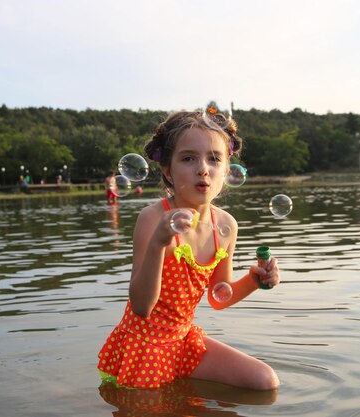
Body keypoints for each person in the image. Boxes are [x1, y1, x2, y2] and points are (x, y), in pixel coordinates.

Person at [97, 110, 281, 391]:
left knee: (265, 381)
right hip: (145, 346)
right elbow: (142, 307)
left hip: (183, 341)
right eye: (188, 158)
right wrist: (160, 241)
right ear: (168, 170)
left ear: (227, 170)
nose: (203, 168)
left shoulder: (226, 226)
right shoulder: (153, 218)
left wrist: (254, 281)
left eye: (214, 159)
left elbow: (220, 296)